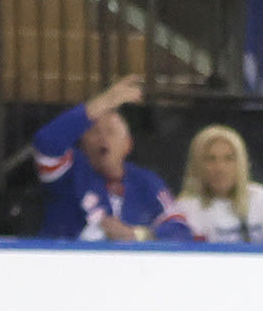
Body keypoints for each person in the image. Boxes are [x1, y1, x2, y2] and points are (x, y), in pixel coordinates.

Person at [33, 77, 183, 242]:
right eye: (95, 131)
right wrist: (105, 102)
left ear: (128, 144)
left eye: (111, 132)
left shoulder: (146, 182)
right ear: (82, 140)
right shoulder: (69, 172)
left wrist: (136, 234)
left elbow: (180, 230)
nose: (103, 138)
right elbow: (46, 142)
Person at [169, 124, 263, 243]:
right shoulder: (186, 208)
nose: (220, 168)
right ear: (197, 165)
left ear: (241, 163)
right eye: (210, 159)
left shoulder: (261, 197)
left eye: (229, 158)